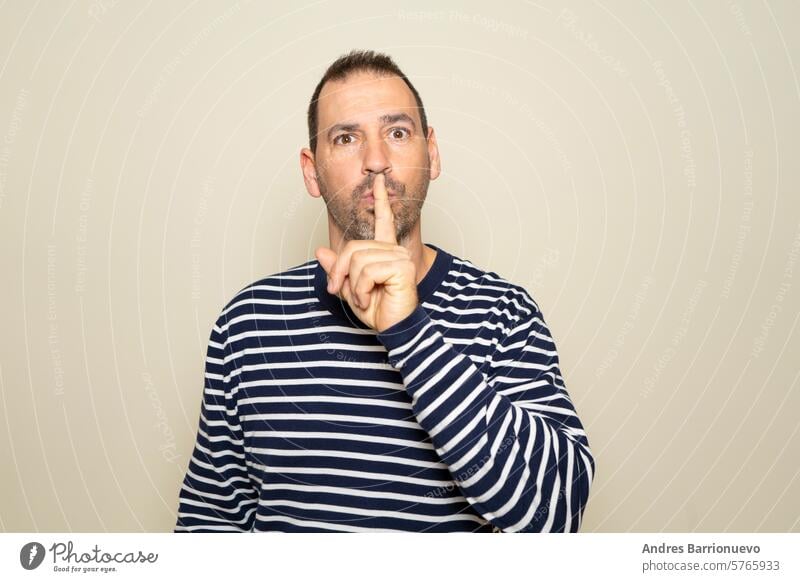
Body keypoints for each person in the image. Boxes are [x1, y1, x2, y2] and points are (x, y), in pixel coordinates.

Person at [174, 49, 595, 533]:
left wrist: (409, 332)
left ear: (431, 153)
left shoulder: (503, 313)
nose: (376, 161)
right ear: (312, 170)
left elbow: (558, 515)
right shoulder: (247, 324)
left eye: (397, 133)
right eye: (347, 138)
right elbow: (209, 527)